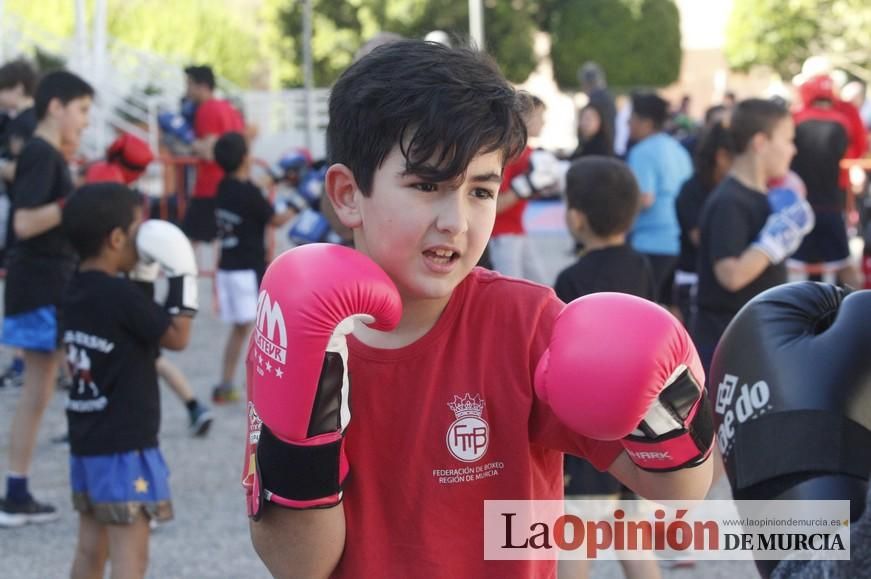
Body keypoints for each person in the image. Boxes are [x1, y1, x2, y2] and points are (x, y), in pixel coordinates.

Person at [244, 40, 713, 579]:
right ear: (349, 194)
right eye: (426, 185)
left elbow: (681, 488)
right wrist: (309, 420)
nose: (456, 221)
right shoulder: (295, 332)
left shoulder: (526, 323)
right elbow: (298, 565)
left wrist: (667, 402)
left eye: (481, 191)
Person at [60, 182, 196, 578]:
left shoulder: (74, 289)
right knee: (130, 559)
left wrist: (139, 275)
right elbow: (178, 336)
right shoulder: (122, 298)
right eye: (137, 231)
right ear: (116, 238)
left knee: (89, 551)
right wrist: (182, 274)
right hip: (125, 449)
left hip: (87, 441)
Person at [555, 156, 660, 579]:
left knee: (575, 535)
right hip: (639, 422)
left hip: (589, 430)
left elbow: (562, 362)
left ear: (576, 217)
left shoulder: (571, 278)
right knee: (629, 535)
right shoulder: (642, 266)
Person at [0, 71, 93, 526]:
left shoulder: (46, 153)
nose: (86, 121)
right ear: (55, 106)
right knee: (40, 390)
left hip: (47, 282)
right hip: (40, 283)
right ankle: (15, 491)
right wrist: (75, 205)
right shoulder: (41, 152)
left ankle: (19, 490)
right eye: (82, 110)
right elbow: (24, 223)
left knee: (46, 389)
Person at [83, 133, 213, 435]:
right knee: (146, 352)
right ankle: (193, 404)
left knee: (136, 353)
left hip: (115, 279)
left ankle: (192, 404)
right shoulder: (116, 184)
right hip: (131, 278)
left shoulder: (103, 177)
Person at [693, 98, 812, 374]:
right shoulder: (730, 200)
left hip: (753, 339)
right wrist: (775, 240)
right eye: (787, 140)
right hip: (729, 344)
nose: (793, 150)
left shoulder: (760, 197)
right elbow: (730, 275)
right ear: (760, 142)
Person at [211, 131, 297, 403]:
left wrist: (277, 178)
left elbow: (255, 191)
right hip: (246, 270)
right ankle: (255, 387)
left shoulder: (224, 186)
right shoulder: (248, 193)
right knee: (257, 329)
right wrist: (303, 199)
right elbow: (278, 220)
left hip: (229, 266)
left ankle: (227, 384)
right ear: (245, 158)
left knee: (243, 328)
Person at [790, 73, 867, 288]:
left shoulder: (795, 119)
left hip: (800, 205)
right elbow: (856, 152)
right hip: (832, 203)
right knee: (845, 266)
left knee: (794, 270)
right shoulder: (843, 121)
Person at [626, 92, 693, 303]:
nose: (627, 123)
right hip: (676, 240)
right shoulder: (678, 149)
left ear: (646, 123)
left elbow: (645, 198)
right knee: (670, 306)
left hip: (649, 242)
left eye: (632, 118)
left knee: (641, 308)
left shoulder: (642, 152)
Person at [673, 122, 733, 325]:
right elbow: (698, 236)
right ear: (721, 157)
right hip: (694, 282)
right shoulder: (692, 189)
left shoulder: (729, 190)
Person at [181, 65, 244, 248]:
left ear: (202, 86)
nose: (186, 90)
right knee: (227, 242)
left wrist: (189, 144)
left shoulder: (207, 109)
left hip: (210, 186)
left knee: (188, 243)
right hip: (230, 183)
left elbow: (210, 152)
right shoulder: (228, 108)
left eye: (189, 84)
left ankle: (183, 277)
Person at [487, 95, 548, 282]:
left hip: (517, 231)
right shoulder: (507, 151)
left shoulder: (528, 152)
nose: (543, 122)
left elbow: (537, 190)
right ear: (524, 118)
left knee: (541, 286)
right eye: (539, 116)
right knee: (510, 288)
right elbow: (493, 205)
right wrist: (525, 186)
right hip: (502, 234)